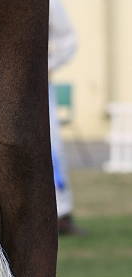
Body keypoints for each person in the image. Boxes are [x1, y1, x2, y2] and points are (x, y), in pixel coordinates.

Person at [49, 0, 83, 235]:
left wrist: (41, 66)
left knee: (51, 147)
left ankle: (61, 213)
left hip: (34, 88)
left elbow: (67, 41)